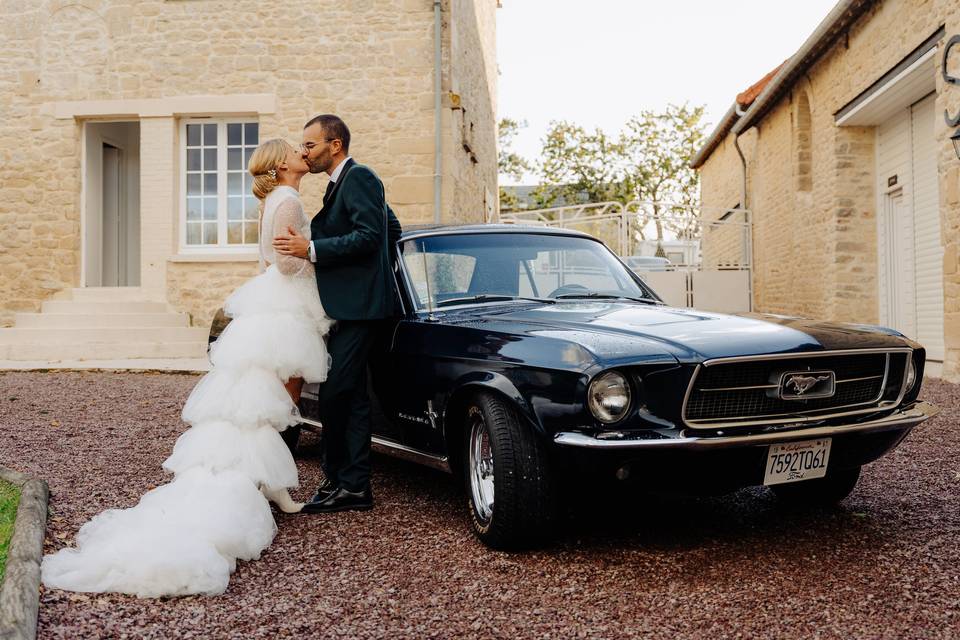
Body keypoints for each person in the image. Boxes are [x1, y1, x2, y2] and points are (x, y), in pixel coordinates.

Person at [40, 139, 333, 598]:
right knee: (279, 397)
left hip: (270, 301)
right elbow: (283, 260)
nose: (304, 153)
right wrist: (319, 263)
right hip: (285, 303)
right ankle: (261, 482)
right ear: (281, 164)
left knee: (266, 397)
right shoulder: (290, 198)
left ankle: (266, 479)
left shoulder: (276, 198)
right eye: (297, 150)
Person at [273, 114, 401, 514]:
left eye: (310, 145)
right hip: (350, 305)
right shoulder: (340, 184)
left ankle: (348, 484)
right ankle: (348, 485)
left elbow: (370, 235)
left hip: (361, 311)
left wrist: (310, 250)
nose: (305, 152)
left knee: (336, 394)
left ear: (335, 145)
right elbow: (391, 229)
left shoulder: (359, 177)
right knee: (351, 398)